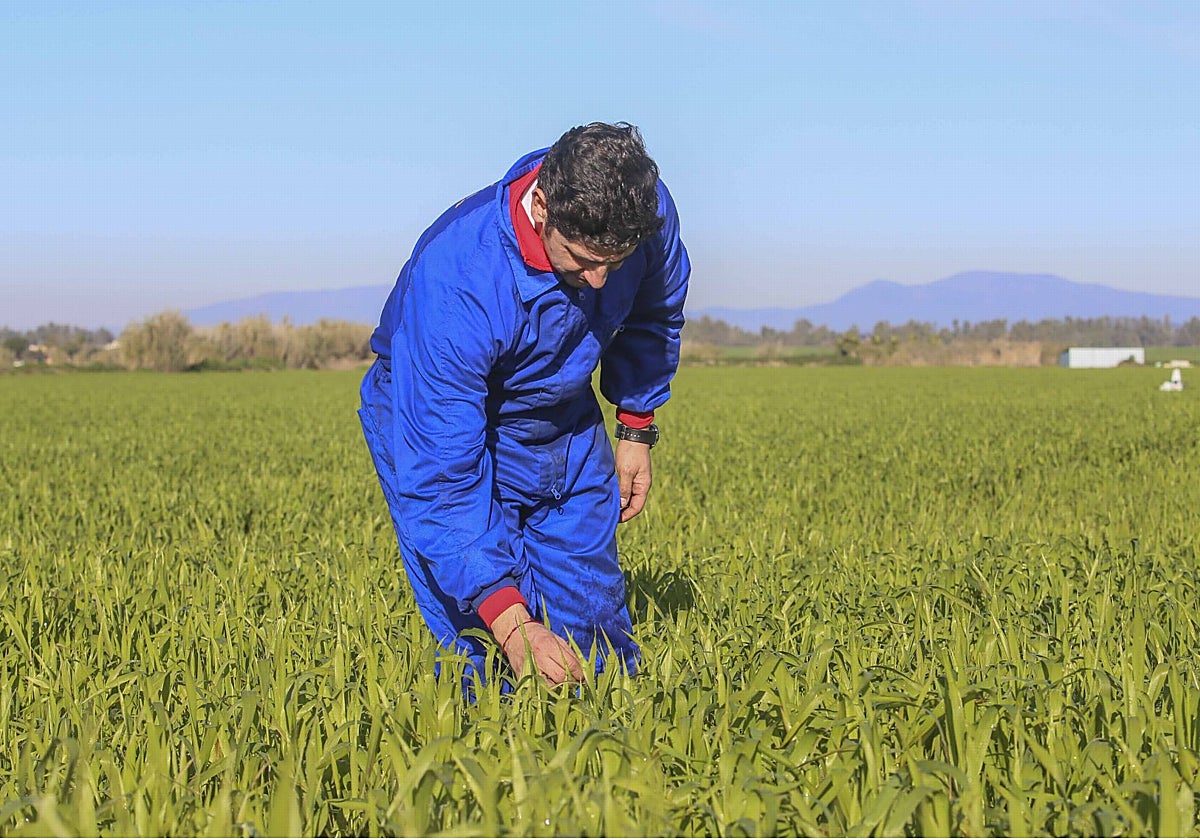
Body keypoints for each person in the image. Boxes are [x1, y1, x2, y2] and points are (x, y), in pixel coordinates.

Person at [358, 122, 690, 687]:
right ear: (542, 208)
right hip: (440, 414)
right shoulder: (457, 283)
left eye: (615, 262)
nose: (599, 280)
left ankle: (608, 729)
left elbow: (655, 311)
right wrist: (515, 627)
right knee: (482, 639)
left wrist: (636, 426)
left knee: (592, 613)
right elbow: (442, 478)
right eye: (582, 260)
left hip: (562, 410)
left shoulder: (641, 208)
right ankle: (490, 730)